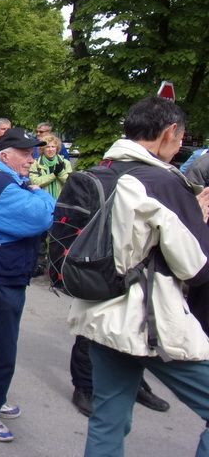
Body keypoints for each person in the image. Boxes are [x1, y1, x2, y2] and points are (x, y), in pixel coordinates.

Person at [67, 96, 209, 456]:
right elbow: (195, 268)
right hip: (150, 321)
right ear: (169, 132)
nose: (180, 146)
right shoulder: (164, 183)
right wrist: (199, 220)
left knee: (108, 420)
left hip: (101, 314)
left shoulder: (103, 171)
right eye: (181, 138)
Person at [0, 127, 55, 443]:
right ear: (5, 156)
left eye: (33, 153)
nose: (31, 160)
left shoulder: (6, 180)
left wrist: (33, 192)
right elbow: (41, 216)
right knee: (2, 346)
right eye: (25, 153)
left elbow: (35, 212)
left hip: (4, 270)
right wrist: (40, 192)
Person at [29, 134, 73, 277]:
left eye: (53, 146)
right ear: (42, 149)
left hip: (60, 203)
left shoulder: (64, 162)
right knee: (41, 236)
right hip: (42, 204)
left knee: (58, 236)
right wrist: (54, 174)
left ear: (57, 148)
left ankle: (56, 266)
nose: (50, 149)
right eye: (47, 146)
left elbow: (70, 182)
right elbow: (35, 182)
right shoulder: (36, 163)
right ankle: (39, 264)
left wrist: (60, 173)